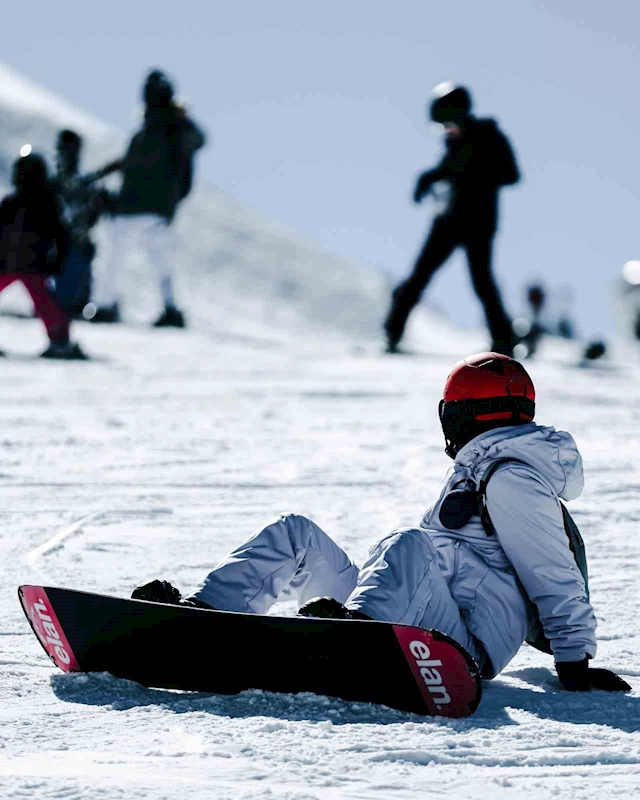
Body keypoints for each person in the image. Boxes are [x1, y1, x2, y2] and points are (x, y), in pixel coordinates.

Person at [133, 352, 630, 693]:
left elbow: (553, 572)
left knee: (408, 542)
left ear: (469, 414)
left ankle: (351, 640)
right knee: (296, 533)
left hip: (458, 649)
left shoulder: (511, 479)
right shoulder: (479, 472)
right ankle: (203, 618)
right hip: (406, 626)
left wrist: (574, 662)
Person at [384, 83, 520, 356]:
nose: (445, 130)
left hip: (478, 223)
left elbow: (511, 174)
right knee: (420, 275)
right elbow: (447, 170)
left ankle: (504, 341)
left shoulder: (489, 136)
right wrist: (428, 178)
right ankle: (392, 331)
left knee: (481, 282)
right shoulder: (454, 144)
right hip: (449, 221)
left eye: (446, 122)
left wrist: (476, 175)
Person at [89, 69, 206, 327]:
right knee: (160, 260)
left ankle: (104, 306)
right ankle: (170, 309)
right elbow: (197, 141)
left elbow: (130, 165)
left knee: (115, 257)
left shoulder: (152, 133)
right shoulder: (172, 129)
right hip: (157, 207)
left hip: (132, 206)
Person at [0, 152, 86, 359]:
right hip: (20, 264)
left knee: (46, 303)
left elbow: (60, 236)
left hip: (28, 265)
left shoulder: (45, 202)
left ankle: (60, 341)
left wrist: (56, 262)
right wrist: (56, 262)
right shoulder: (14, 202)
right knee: (46, 303)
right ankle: (60, 340)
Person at [52, 129, 115, 317]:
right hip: (62, 244)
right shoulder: (60, 181)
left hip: (76, 243)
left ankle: (73, 304)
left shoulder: (75, 182)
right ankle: (65, 305)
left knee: (76, 277)